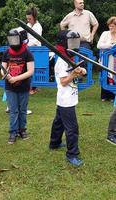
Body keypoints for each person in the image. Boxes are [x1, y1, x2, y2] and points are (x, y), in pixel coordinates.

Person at [49, 30, 87, 167]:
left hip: (67, 97)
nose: (74, 45)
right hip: (66, 99)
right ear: (64, 43)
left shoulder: (68, 57)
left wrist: (81, 71)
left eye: (76, 42)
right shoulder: (61, 60)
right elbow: (64, 81)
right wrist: (75, 74)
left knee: (59, 122)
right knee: (72, 128)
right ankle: (72, 154)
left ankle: (54, 143)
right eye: (72, 42)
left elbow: (75, 71)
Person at [1, 28, 35, 144]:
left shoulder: (27, 53)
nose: (13, 41)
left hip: (24, 86)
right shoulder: (6, 53)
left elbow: (30, 71)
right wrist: (6, 75)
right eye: (11, 39)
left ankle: (22, 130)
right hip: (10, 87)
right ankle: (12, 132)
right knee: (13, 110)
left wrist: (15, 78)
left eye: (15, 39)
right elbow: (3, 68)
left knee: (22, 109)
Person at [97, 16, 116, 102]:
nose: (110, 27)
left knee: (113, 75)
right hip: (105, 59)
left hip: (114, 60)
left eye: (113, 26)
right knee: (105, 75)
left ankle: (113, 96)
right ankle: (104, 96)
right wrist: (110, 45)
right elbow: (99, 45)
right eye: (110, 26)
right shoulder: (105, 33)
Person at [26, 7, 42, 96]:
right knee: (28, 68)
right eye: (27, 18)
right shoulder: (28, 25)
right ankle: (30, 87)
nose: (28, 20)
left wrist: (27, 45)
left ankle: (34, 88)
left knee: (35, 68)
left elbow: (36, 40)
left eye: (30, 18)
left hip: (36, 50)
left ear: (34, 17)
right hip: (29, 49)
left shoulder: (38, 26)